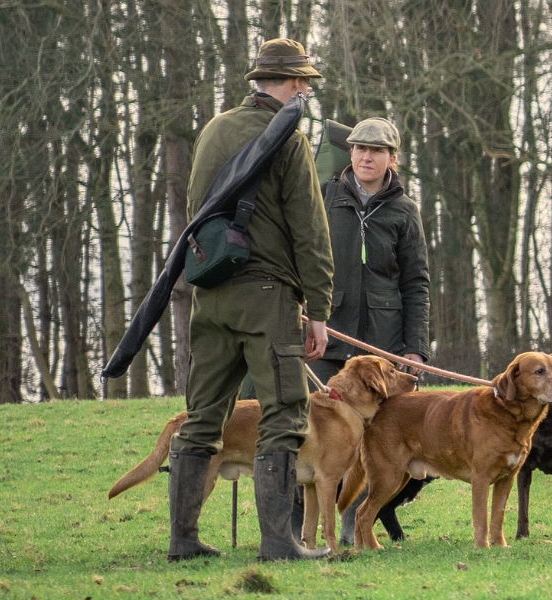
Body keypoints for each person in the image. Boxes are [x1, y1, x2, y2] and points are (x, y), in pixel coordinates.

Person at [167, 38, 334, 562]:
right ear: (287, 85)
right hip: (267, 296)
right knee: (284, 414)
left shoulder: (213, 129)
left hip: (210, 292)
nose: (305, 89)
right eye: (302, 81)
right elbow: (310, 228)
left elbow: (198, 210)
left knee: (201, 417)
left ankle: (183, 539)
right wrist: (320, 309)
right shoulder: (287, 137)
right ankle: (279, 543)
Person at [314, 117, 430, 382]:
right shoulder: (322, 198)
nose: (367, 157)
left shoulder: (405, 210)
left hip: (382, 348)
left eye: (377, 150)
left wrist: (415, 346)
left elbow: (416, 283)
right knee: (317, 421)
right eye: (360, 148)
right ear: (351, 153)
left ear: (392, 158)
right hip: (324, 341)